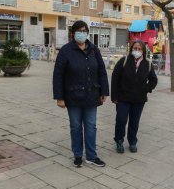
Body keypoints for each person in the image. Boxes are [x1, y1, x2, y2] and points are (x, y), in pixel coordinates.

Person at [53, 20, 109, 168]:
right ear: (73, 33)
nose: (82, 33)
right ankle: (78, 155)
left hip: (92, 95)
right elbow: (58, 75)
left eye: (85, 31)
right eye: (79, 30)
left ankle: (91, 155)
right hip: (73, 97)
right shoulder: (66, 50)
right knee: (76, 126)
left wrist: (104, 91)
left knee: (91, 126)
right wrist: (59, 97)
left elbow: (102, 72)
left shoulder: (94, 49)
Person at [111, 40, 158, 153]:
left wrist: (146, 89)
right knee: (121, 120)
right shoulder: (124, 61)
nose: (137, 51)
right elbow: (115, 78)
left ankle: (132, 141)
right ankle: (119, 141)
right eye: (135, 48)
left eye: (139, 49)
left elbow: (153, 80)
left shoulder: (148, 63)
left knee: (134, 122)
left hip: (139, 99)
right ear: (131, 49)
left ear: (143, 51)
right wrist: (114, 96)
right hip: (123, 98)